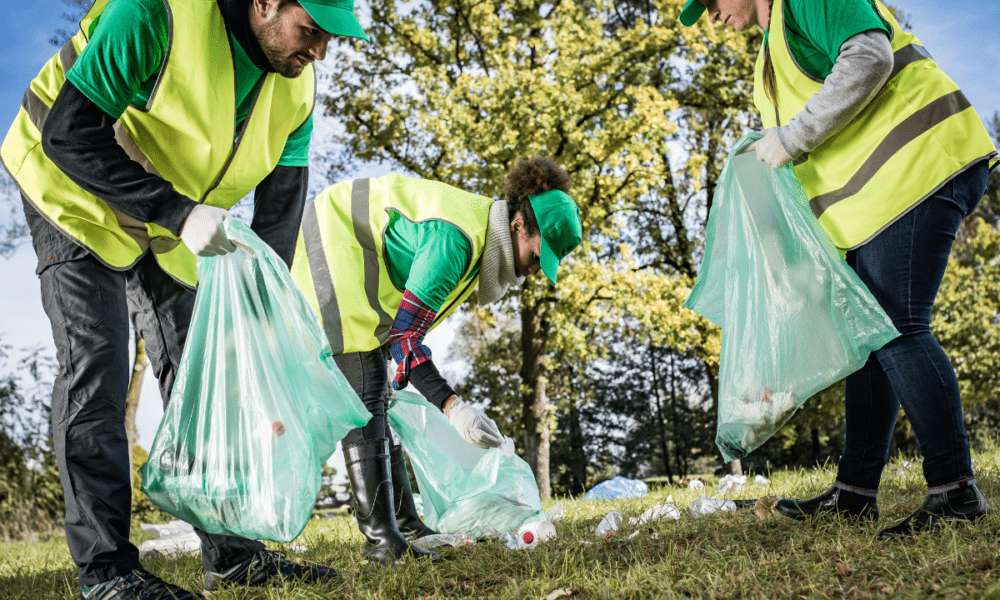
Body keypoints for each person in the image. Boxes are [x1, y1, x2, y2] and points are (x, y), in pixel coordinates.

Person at [1, 0, 370, 597]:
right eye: (312, 31)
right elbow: (68, 131)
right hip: (70, 190)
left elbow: (280, 208)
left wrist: (262, 310)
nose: (321, 51)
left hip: (172, 223)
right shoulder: (156, 13)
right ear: (265, 4)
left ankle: (234, 556)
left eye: (332, 38)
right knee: (98, 365)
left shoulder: (297, 87)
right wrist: (179, 212)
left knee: (208, 376)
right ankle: (107, 572)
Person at [679, 0, 997, 539]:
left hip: (921, 167)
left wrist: (791, 137)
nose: (709, 15)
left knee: (898, 327)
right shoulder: (771, 51)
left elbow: (869, 56)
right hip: (884, 197)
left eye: (710, 1)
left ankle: (956, 492)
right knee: (872, 337)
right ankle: (855, 494)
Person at [290, 156, 582, 562]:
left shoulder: (480, 242)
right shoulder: (457, 240)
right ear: (518, 226)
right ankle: (382, 542)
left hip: (347, 248)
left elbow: (408, 335)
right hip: (332, 240)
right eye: (536, 256)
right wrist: (453, 407)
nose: (534, 270)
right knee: (364, 389)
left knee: (376, 397)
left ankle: (406, 526)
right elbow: (405, 339)